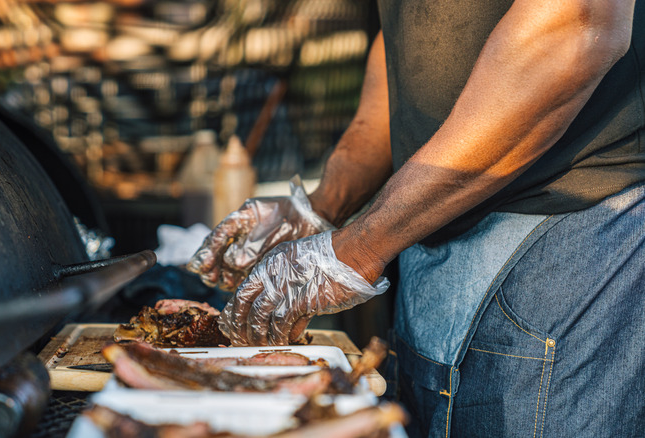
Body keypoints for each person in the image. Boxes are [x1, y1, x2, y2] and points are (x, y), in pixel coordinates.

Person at [188, 1, 645, 436]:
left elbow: (575, 29)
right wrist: (325, 204)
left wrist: (359, 247)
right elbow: (409, 38)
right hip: (425, 231)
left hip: (565, 240)